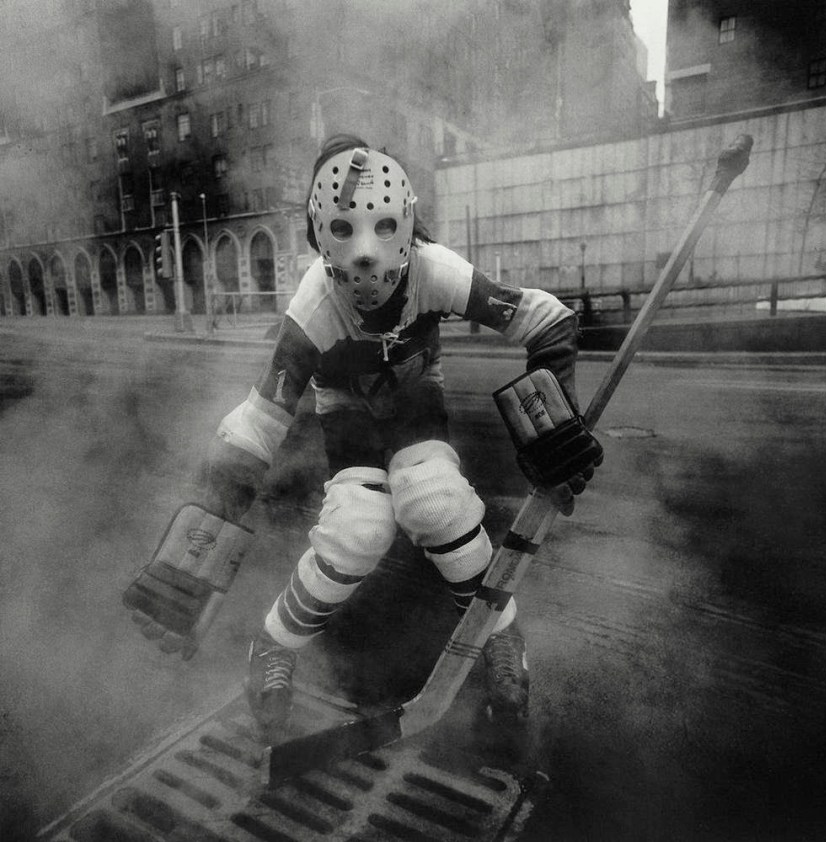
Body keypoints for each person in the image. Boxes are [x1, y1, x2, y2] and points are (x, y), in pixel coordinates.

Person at [205, 133, 601, 741]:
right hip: (349, 412)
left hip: (416, 396)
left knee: (435, 500)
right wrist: (210, 515)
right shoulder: (314, 303)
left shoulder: (435, 269)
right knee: (355, 530)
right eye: (344, 236)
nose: (366, 265)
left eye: (384, 230)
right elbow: (263, 415)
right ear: (321, 240)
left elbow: (545, 321)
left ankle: (500, 632)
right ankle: (274, 642)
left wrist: (556, 423)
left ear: (408, 226)